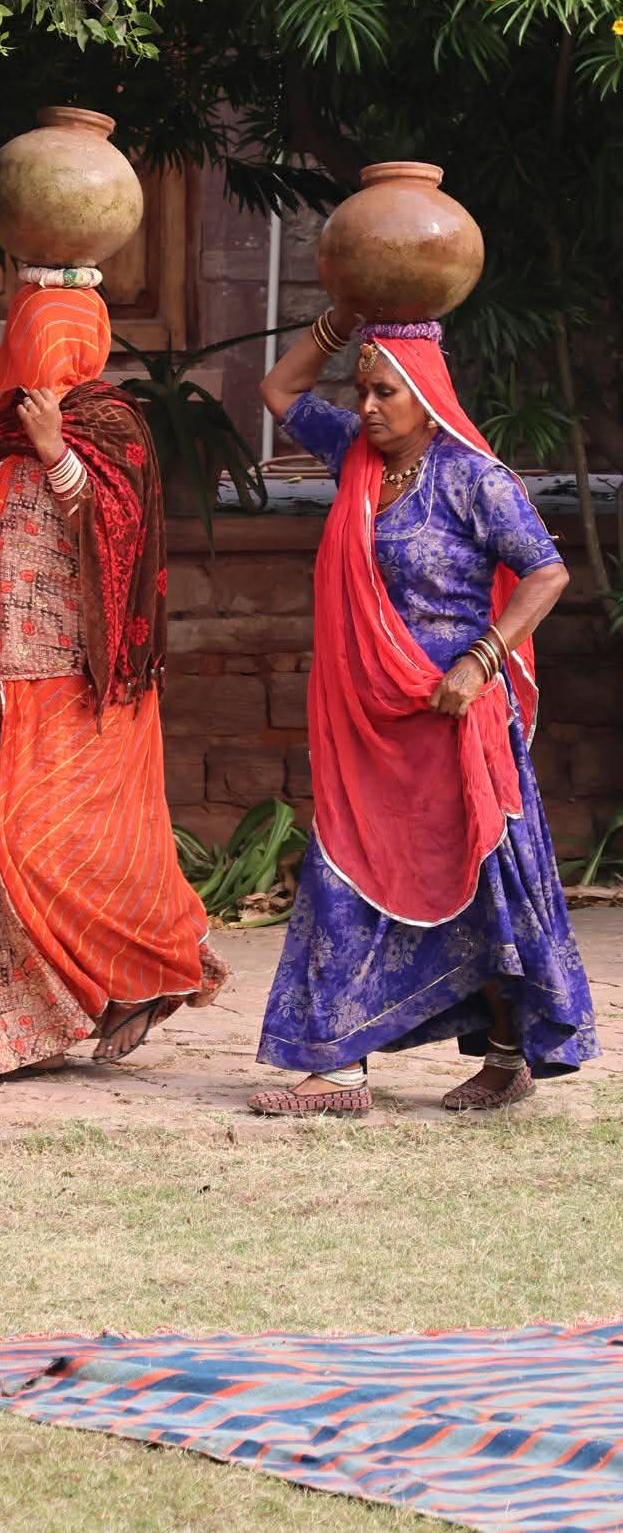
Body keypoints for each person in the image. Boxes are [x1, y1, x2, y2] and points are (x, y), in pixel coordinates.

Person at [0, 278, 225, 1081]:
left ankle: (154, 965)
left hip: (82, 678)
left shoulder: (110, 427)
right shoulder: (3, 441)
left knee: (45, 842)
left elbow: (115, 541)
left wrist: (57, 449)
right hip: (0, 675)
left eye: (35, 338)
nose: (22, 355)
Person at [248, 309, 597, 1116]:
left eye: (385, 392)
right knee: (346, 864)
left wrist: (481, 661)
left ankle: (509, 1055)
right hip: (370, 716)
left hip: (452, 710)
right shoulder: (355, 459)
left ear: (427, 394)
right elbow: (278, 385)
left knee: (479, 882)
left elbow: (546, 575)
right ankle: (339, 1072)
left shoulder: (475, 478)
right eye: (361, 391)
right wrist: (337, 322)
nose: (368, 407)